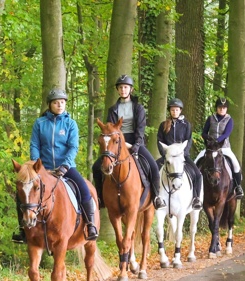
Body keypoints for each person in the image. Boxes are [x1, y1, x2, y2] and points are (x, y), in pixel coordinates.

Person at [12, 88, 99, 243]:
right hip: (42, 169)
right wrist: (36, 165)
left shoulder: (70, 124)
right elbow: (34, 145)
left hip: (66, 167)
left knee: (85, 190)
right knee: (23, 193)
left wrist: (65, 166)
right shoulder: (40, 123)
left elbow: (73, 147)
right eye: (56, 102)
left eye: (62, 102)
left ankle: (91, 224)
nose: (59, 105)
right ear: (50, 105)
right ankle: (23, 230)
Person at [93, 74, 165, 210]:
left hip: (134, 141)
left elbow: (141, 128)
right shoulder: (112, 109)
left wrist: (137, 144)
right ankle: (100, 197)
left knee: (153, 167)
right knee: (96, 167)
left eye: (125, 87)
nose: (123, 90)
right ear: (118, 90)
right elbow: (109, 129)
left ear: (130, 89)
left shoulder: (138, 108)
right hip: (116, 143)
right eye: (120, 88)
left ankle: (156, 197)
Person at [156, 97, 203, 210]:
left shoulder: (186, 125)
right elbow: (159, 141)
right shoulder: (163, 125)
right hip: (168, 157)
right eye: (172, 110)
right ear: (170, 111)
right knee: (152, 170)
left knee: (197, 174)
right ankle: (156, 197)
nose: (174, 112)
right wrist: (164, 155)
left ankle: (196, 198)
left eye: (177, 110)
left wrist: (184, 154)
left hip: (182, 156)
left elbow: (189, 140)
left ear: (180, 110)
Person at [198, 97, 244, 198]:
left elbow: (226, 133)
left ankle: (238, 187)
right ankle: (194, 186)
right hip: (210, 147)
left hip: (224, 147)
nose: (222, 109)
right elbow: (204, 133)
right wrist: (208, 138)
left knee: (235, 164)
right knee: (196, 161)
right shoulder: (210, 118)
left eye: (224, 107)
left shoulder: (229, 120)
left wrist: (218, 141)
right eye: (220, 107)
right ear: (216, 108)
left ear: (226, 109)